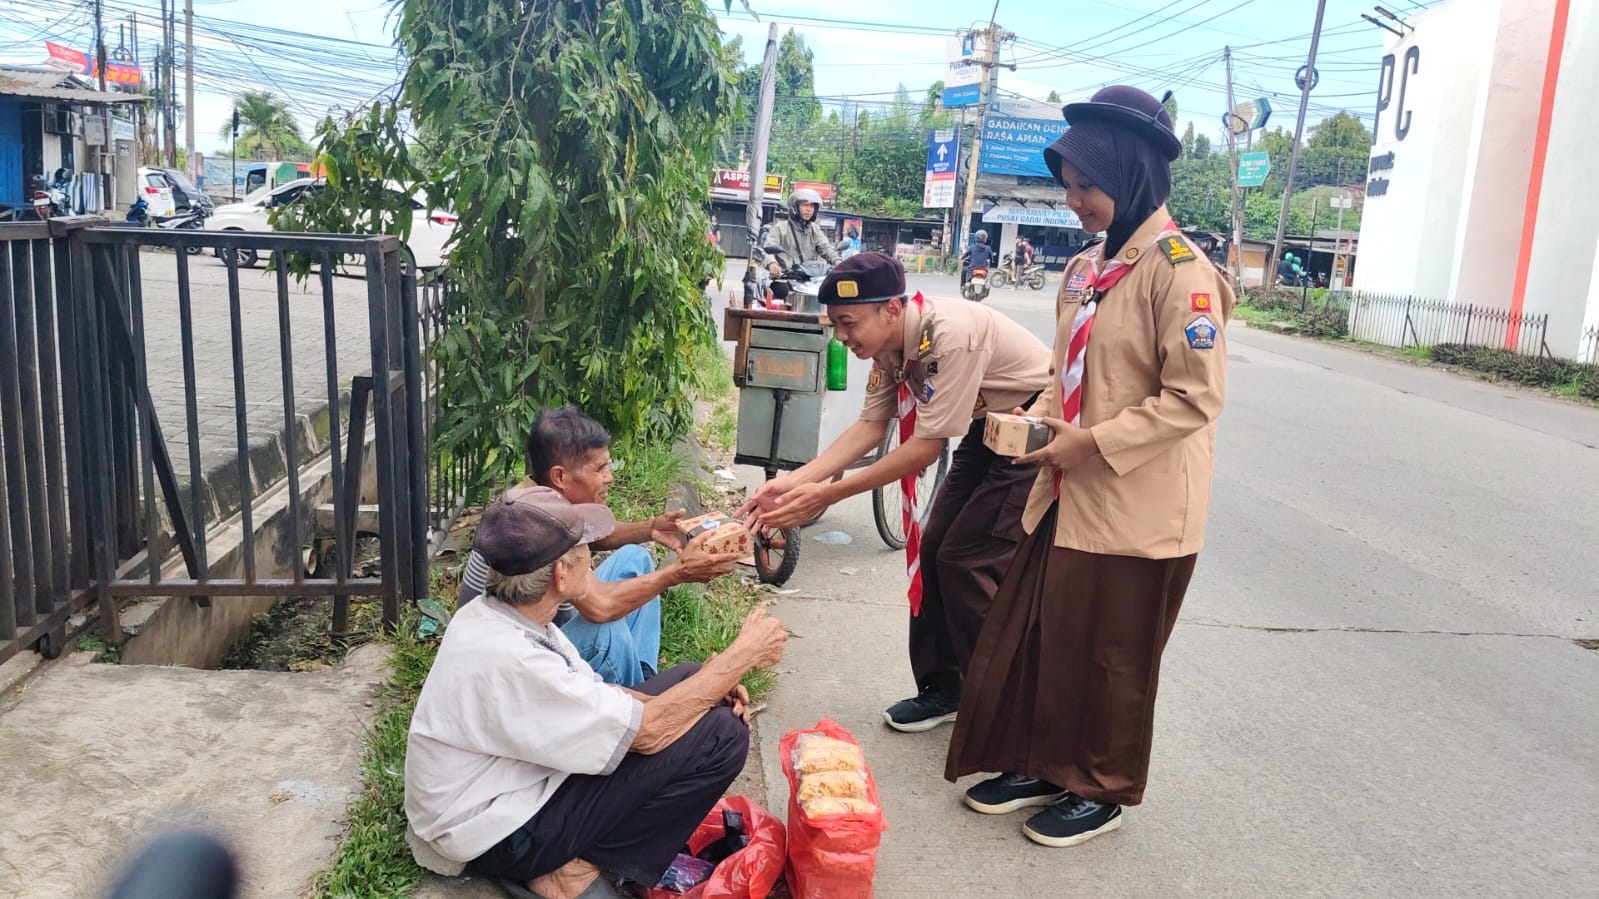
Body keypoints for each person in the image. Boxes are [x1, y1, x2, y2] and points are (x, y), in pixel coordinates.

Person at [944, 85, 1233, 850]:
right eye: (1066, 186)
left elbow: (1194, 397)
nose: (1073, 201)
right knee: (1044, 632)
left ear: (1131, 175)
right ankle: (1043, 762)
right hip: (1064, 488)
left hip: (1137, 505)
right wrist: (1035, 416)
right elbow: (1063, 369)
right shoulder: (1083, 268)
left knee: (1110, 653)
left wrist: (1091, 441)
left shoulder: (1181, 271)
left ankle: (1096, 787)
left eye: (1086, 185)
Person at [407, 485, 788, 899]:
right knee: (723, 735)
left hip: (510, 788)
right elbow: (648, 733)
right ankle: (570, 870)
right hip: (498, 833)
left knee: (691, 679)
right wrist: (740, 657)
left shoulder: (503, 616)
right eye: (586, 548)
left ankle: (582, 856)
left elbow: (596, 693)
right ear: (560, 573)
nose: (593, 555)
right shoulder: (515, 658)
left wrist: (707, 682)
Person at [739, 252, 1051, 733]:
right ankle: (945, 689)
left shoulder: (947, 335)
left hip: (1028, 429)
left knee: (967, 561)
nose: (842, 337)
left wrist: (828, 496)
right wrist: (799, 480)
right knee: (932, 551)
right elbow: (870, 427)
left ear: (890, 309)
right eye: (836, 325)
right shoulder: (889, 345)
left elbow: (924, 450)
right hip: (986, 426)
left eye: (848, 323)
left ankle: (1008, 707)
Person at [456, 407, 739, 687]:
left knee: (636, 559)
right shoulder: (535, 523)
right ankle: (645, 713)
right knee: (606, 633)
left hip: (544, 626)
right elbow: (600, 608)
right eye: (600, 469)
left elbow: (590, 534)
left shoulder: (542, 496)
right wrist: (678, 572)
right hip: (509, 664)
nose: (609, 478)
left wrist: (650, 529)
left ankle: (642, 682)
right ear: (560, 476)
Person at [762, 187, 841, 277]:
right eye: (805, 205)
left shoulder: (814, 229)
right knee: (781, 290)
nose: (809, 209)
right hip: (785, 277)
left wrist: (838, 261)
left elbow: (825, 248)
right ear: (794, 207)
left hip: (810, 277)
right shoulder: (780, 228)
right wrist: (772, 263)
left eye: (812, 206)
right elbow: (768, 248)